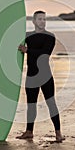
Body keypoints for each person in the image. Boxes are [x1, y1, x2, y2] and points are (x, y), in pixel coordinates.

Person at [17, 10, 64, 142]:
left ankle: (58, 133)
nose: (42, 21)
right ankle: (29, 131)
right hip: (31, 75)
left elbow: (45, 54)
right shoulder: (27, 36)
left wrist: (27, 50)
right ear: (33, 21)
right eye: (40, 19)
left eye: (44, 19)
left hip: (45, 75)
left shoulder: (50, 36)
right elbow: (10, 39)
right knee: (31, 104)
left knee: (51, 103)